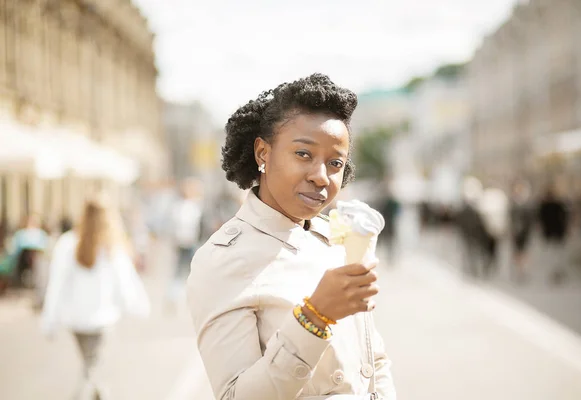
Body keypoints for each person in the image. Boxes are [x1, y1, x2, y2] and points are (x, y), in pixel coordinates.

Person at [186, 73, 396, 399]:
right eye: (303, 154)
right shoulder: (222, 259)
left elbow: (374, 363)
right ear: (262, 154)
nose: (321, 177)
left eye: (335, 163)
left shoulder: (337, 240)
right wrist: (314, 317)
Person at [41, 194, 150, 399]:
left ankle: (99, 394)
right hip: (103, 319)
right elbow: (125, 284)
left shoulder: (67, 244)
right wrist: (138, 307)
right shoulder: (111, 246)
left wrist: (50, 320)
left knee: (92, 367)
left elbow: (56, 285)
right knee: (93, 370)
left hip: (76, 321)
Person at [167, 178, 204, 312]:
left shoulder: (180, 206)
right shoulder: (192, 207)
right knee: (190, 272)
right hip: (189, 242)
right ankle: (182, 298)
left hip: (184, 242)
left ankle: (177, 297)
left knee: (181, 272)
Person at [538, 185, 570, 284]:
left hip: (552, 232)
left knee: (553, 253)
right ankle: (556, 271)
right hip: (556, 232)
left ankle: (555, 271)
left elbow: (540, 220)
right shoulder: (556, 204)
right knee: (556, 253)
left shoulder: (547, 205)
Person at [509, 180, 535, 282]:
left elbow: (530, 219)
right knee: (518, 252)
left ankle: (522, 270)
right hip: (517, 232)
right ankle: (520, 270)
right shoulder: (514, 204)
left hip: (524, 232)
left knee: (523, 252)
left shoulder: (526, 204)